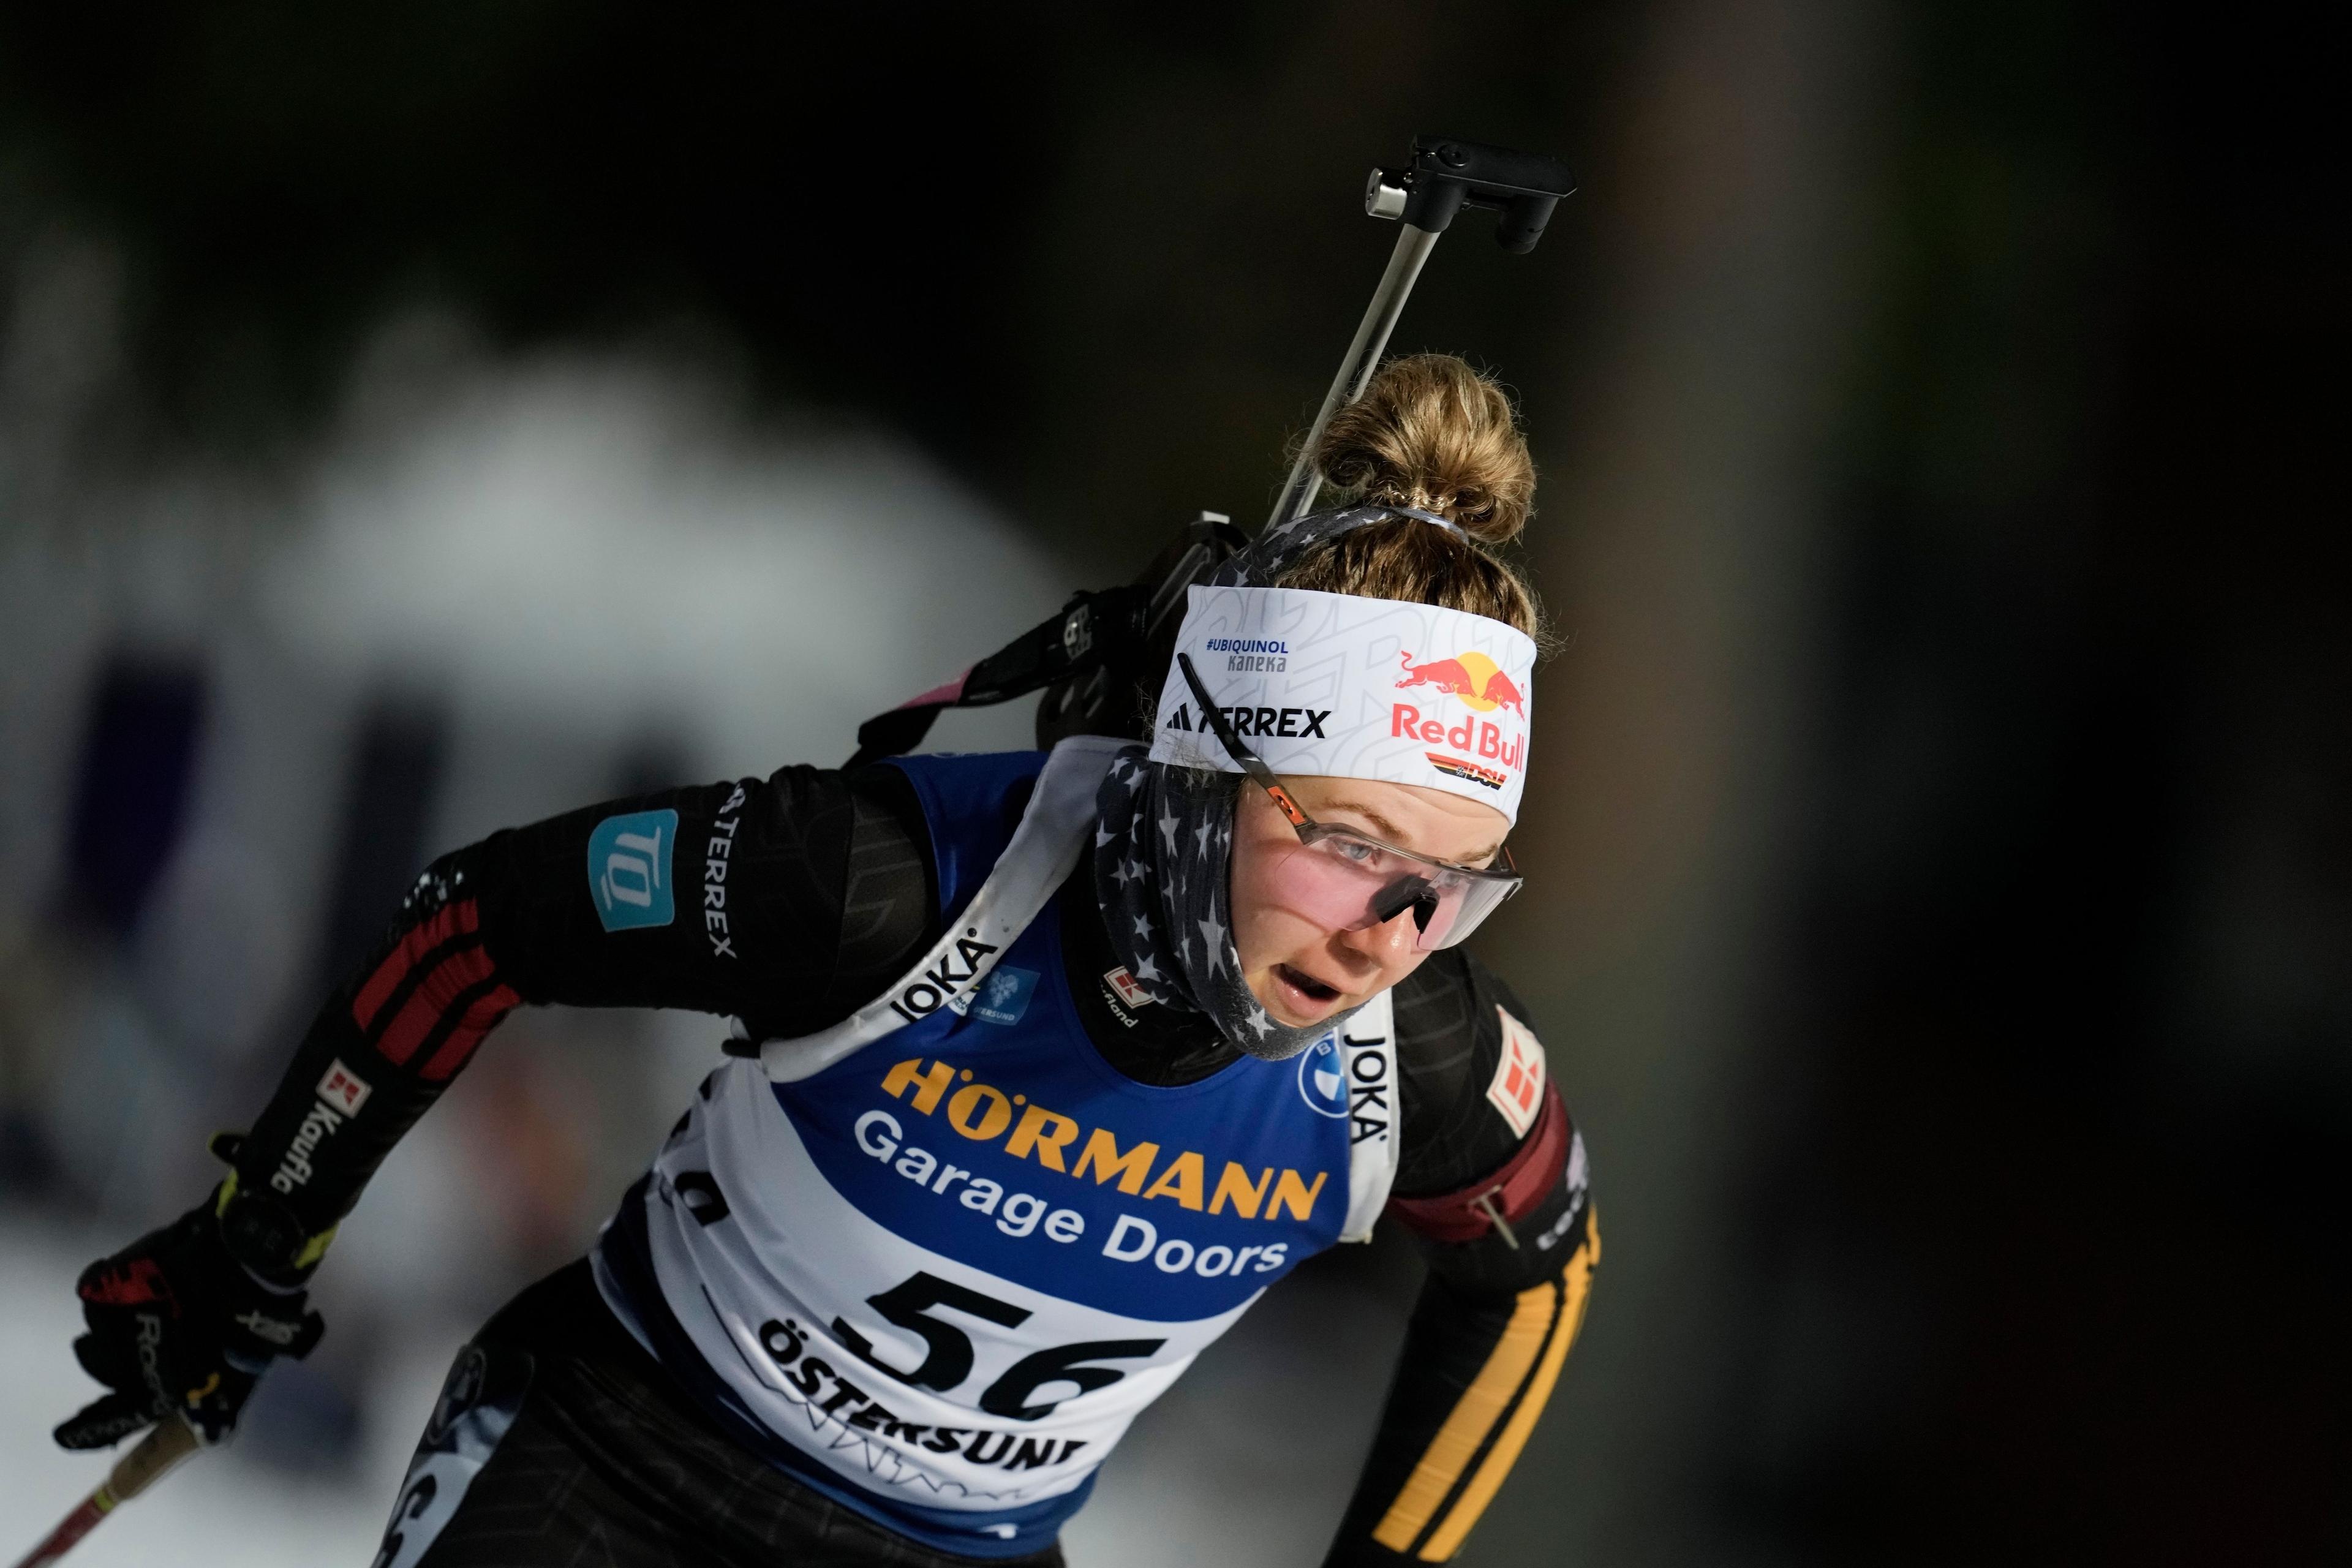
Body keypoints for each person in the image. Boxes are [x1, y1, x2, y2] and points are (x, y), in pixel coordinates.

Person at [52, 353, 1599, 1567]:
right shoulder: (890, 884)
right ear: (1198, 771)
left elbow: (1535, 1276)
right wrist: (257, 1235)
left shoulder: (1424, 1064)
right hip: (623, 1460)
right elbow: (481, 918)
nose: (1385, 932)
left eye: (1450, 886)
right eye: (1344, 840)